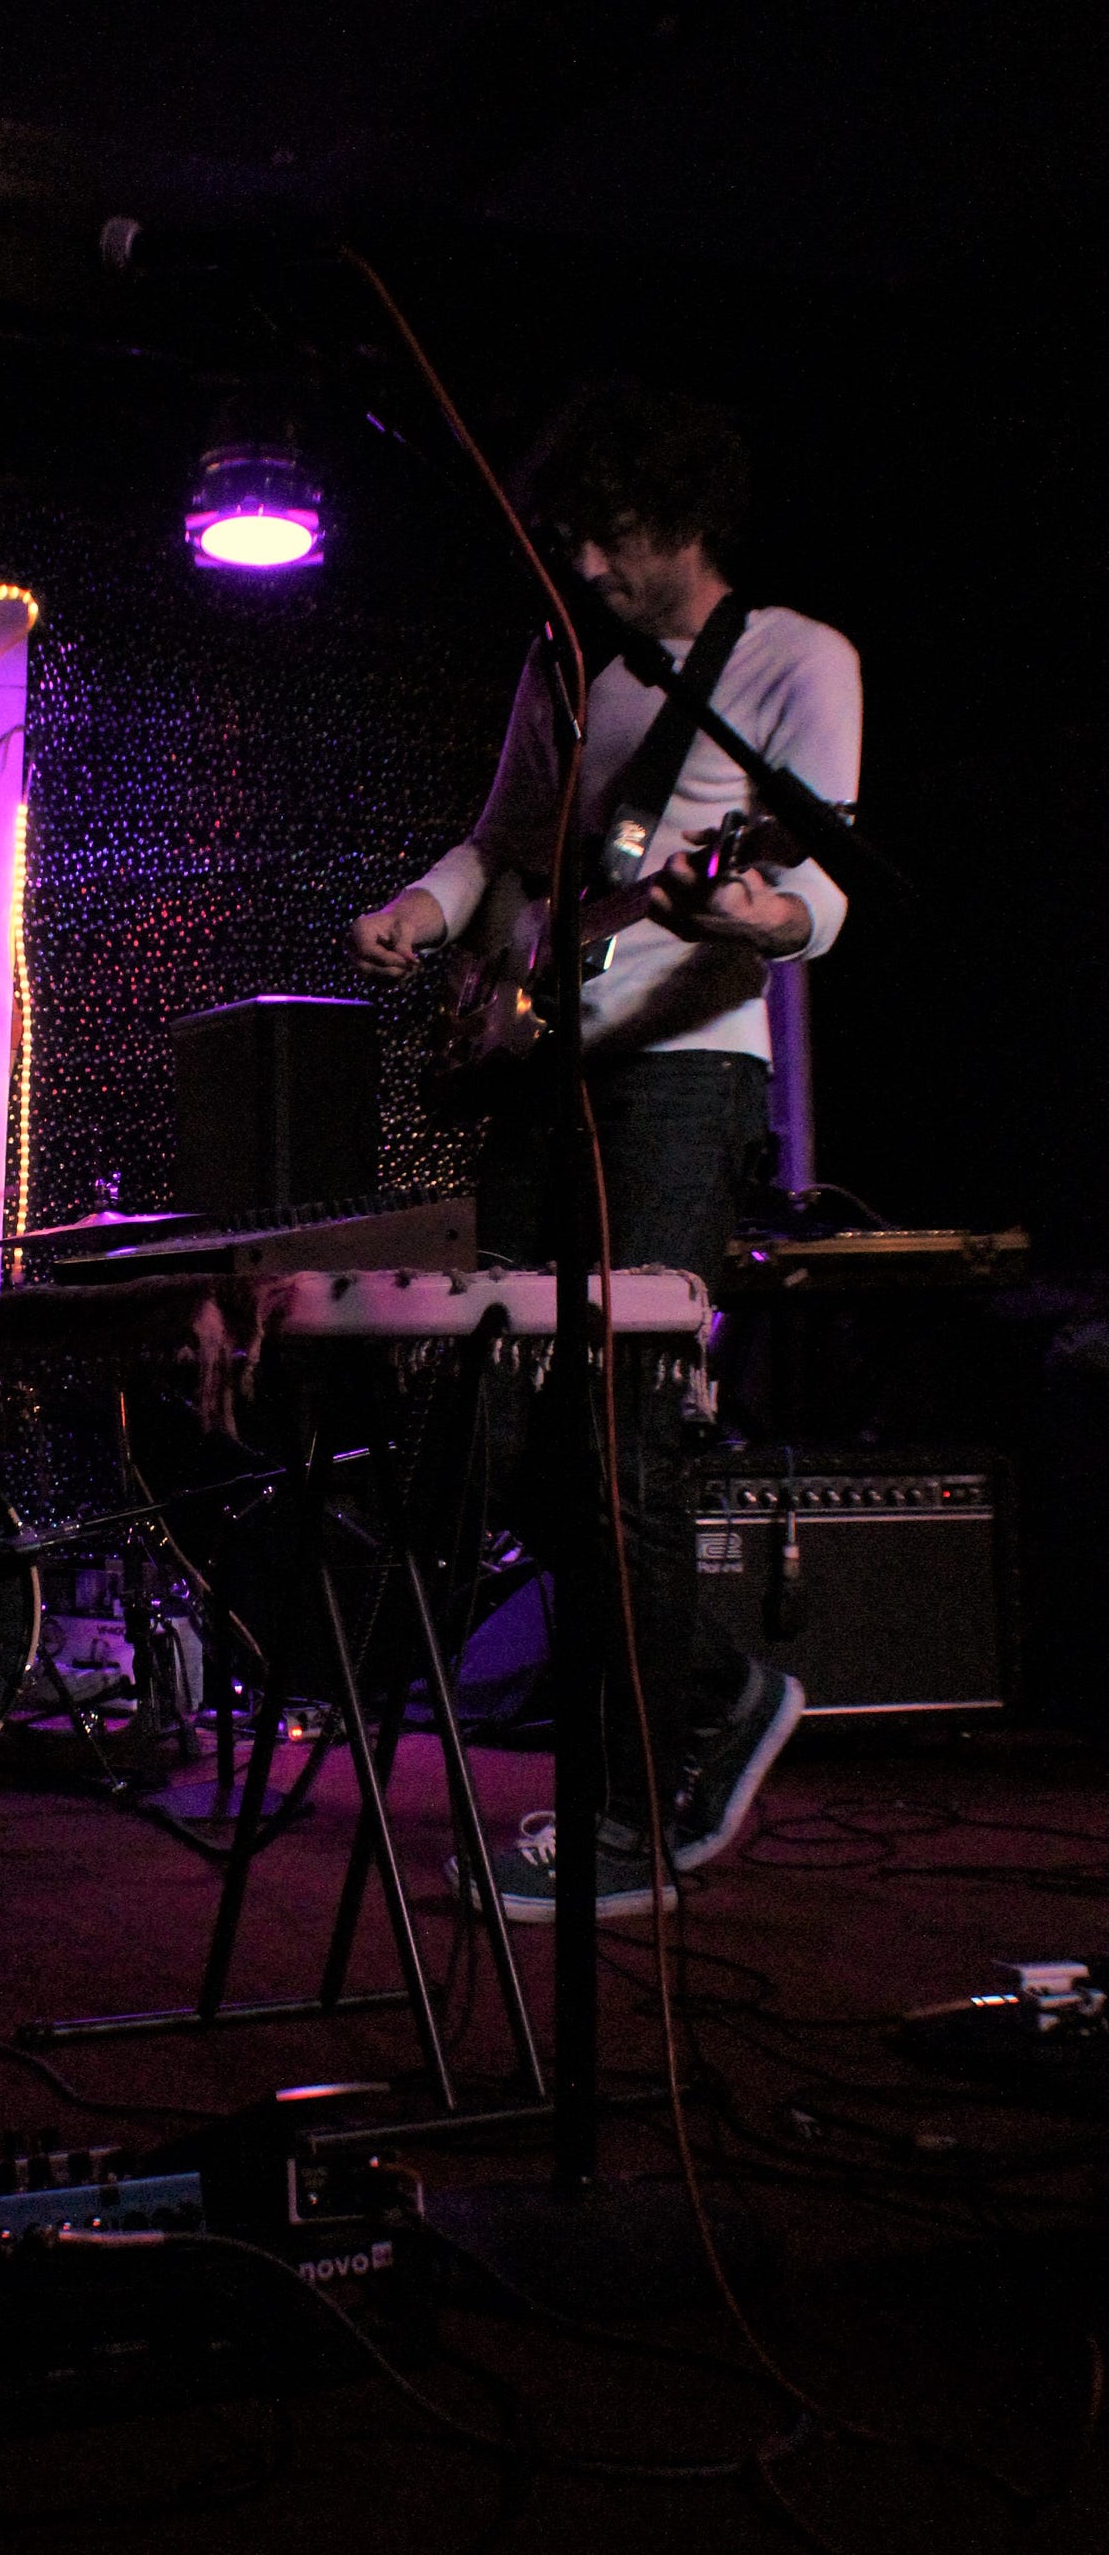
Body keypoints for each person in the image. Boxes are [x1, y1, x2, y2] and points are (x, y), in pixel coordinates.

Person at [352, 383, 863, 1917]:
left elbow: (824, 884)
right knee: (500, 1431)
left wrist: (753, 911)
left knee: (625, 1434)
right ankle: (717, 1689)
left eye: (608, 535)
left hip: (682, 1083)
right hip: (535, 1073)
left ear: (684, 521)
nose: (580, 565)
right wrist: (427, 914)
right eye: (567, 536)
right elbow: (503, 845)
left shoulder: (796, 660)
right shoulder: (564, 665)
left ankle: (631, 1816)